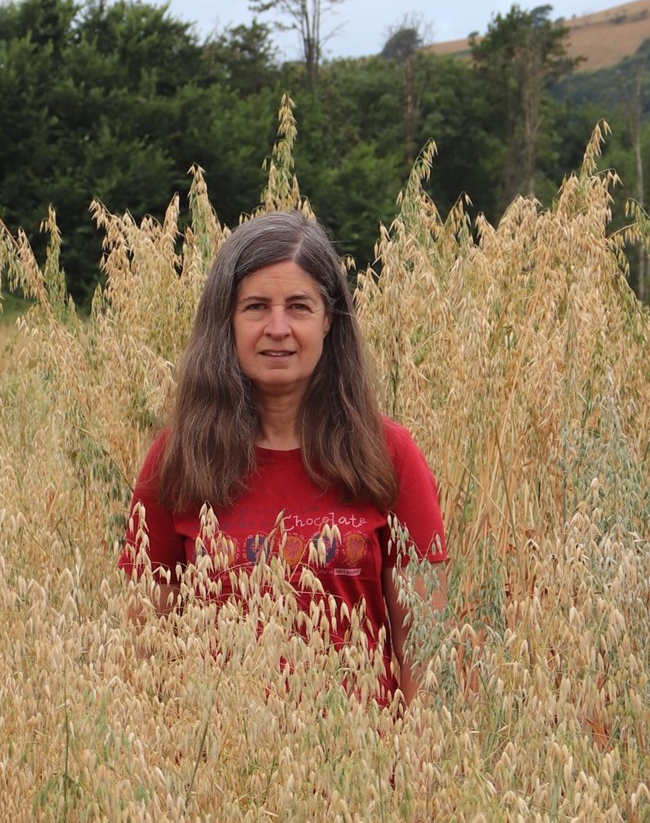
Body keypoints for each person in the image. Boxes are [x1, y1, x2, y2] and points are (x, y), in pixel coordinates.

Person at [119, 210, 448, 708]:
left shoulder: (390, 456)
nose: (278, 328)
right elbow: (141, 658)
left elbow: (426, 653)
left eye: (299, 306)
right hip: (216, 775)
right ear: (225, 322)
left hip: (363, 773)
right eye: (255, 307)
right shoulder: (178, 460)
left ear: (328, 321)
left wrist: (419, 775)